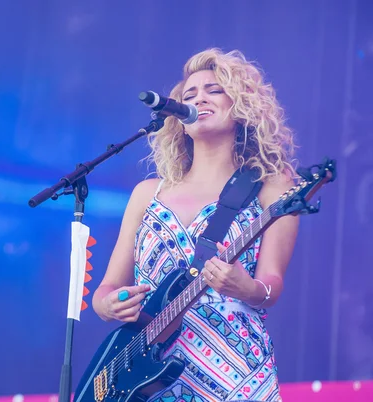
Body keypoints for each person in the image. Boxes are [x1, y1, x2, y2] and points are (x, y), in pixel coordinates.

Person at [92, 48, 299, 402]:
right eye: (189, 95)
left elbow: (271, 285)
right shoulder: (147, 193)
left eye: (214, 90)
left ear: (241, 106)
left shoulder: (271, 185)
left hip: (236, 369)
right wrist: (109, 305)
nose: (199, 98)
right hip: (147, 373)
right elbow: (107, 288)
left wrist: (244, 287)